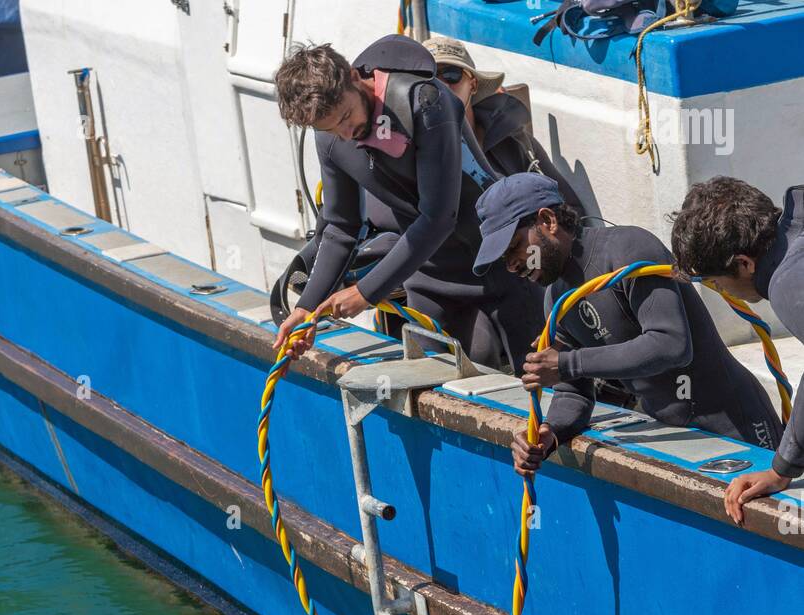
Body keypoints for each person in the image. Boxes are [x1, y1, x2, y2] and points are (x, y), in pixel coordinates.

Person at [471, 174, 784, 477]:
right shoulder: (556, 300)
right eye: (504, 259)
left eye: (514, 246)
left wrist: (569, 363)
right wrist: (549, 434)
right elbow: (574, 394)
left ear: (547, 221)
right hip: (673, 438)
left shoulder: (627, 249)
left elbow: (670, 344)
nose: (511, 265)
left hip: (736, 422)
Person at [271, 34, 544, 373]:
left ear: (356, 78)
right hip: (430, 276)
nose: (346, 133)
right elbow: (342, 228)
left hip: (504, 259)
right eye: (330, 128)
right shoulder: (330, 133)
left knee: (539, 386)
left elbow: (440, 217)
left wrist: (365, 293)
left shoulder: (423, 101)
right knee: (439, 390)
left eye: (345, 117)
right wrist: (306, 308)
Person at [671, 177, 804, 524]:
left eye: (713, 282)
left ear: (744, 263)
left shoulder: (790, 283)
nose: (718, 291)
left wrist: (782, 469)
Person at [423, 35, 582, 206]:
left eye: (451, 74)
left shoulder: (514, 138)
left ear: (473, 85)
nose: (441, 85)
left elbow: (570, 207)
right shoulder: (412, 151)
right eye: (429, 78)